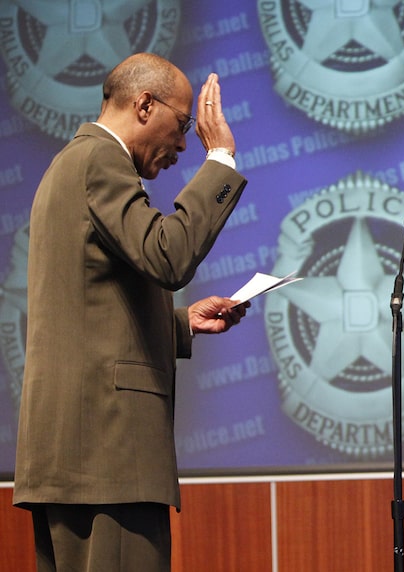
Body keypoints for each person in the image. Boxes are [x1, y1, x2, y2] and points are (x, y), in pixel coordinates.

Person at [13, 52, 251, 571]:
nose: (185, 144)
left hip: (74, 456)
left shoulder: (70, 164)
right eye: (182, 124)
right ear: (145, 104)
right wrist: (222, 161)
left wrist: (180, 323)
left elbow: (82, 306)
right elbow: (168, 254)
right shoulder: (100, 160)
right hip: (107, 455)